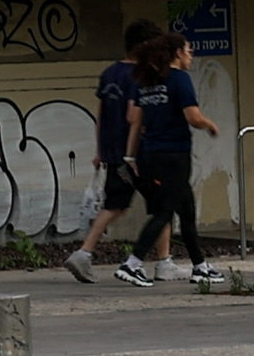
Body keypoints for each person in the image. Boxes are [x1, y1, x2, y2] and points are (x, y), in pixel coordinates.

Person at [72, 21, 217, 288]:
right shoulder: (146, 75)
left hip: (121, 156)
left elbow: (102, 115)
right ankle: (142, 262)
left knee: (133, 204)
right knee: (161, 207)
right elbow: (135, 116)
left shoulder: (111, 74)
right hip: (149, 154)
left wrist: (101, 150)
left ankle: (182, 263)